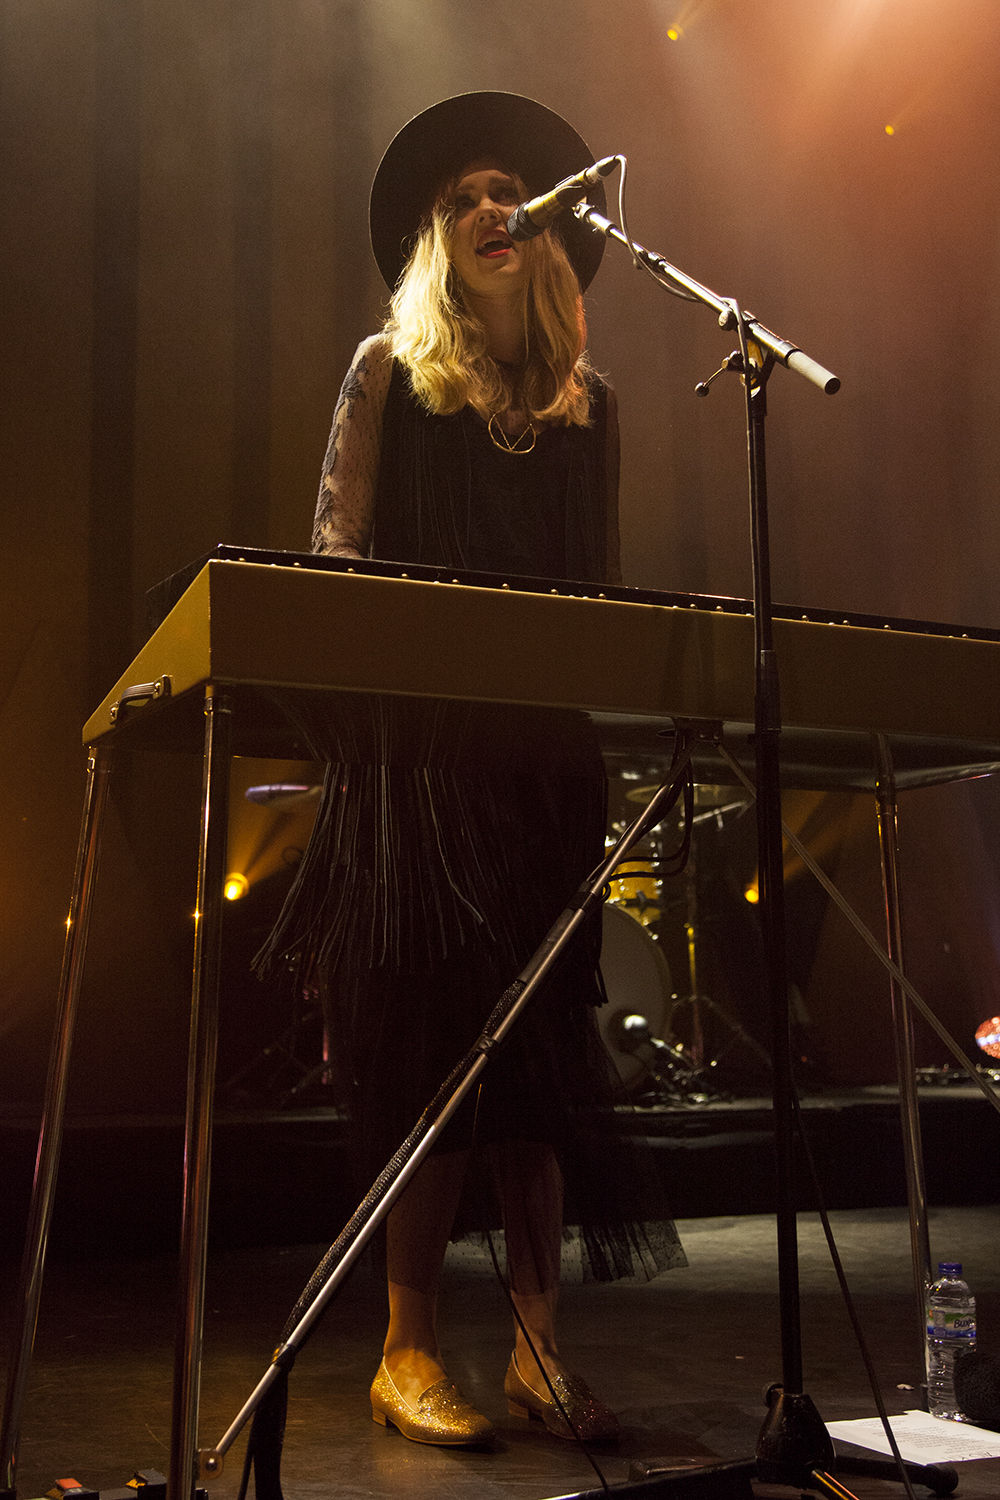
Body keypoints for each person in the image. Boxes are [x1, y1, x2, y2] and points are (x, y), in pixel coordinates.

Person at [258, 91, 685, 1449]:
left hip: (537, 771)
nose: (496, 208)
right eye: (464, 197)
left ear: (552, 232)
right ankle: (405, 1349)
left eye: (513, 190)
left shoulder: (587, 409)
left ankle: (538, 1354)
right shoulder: (385, 370)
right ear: (436, 239)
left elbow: (596, 600)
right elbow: (332, 565)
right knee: (429, 1060)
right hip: (418, 771)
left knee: (545, 1064)